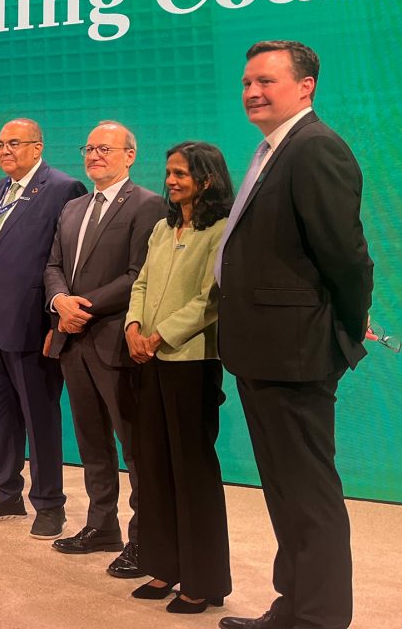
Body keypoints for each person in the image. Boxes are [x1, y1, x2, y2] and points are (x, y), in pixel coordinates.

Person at [215, 41, 372, 629]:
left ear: (305, 86)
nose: (253, 91)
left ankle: (321, 617)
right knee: (284, 490)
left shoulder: (316, 149)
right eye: (247, 81)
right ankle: (295, 604)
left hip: (297, 351)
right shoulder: (273, 150)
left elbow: (348, 258)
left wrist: (348, 324)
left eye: (267, 81)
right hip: (263, 349)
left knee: (308, 494)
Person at [43, 120, 162, 576]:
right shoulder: (72, 208)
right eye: (89, 148)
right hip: (71, 342)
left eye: (105, 149)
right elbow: (52, 264)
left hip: (115, 340)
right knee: (92, 441)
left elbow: (139, 274)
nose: (94, 156)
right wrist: (59, 301)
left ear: (129, 155)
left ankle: (144, 538)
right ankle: (101, 525)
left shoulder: (148, 205)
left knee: (134, 446)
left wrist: (82, 306)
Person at [0, 119, 86, 538]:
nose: (5, 150)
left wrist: (57, 323)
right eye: (0, 143)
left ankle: (50, 504)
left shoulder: (62, 188)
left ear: (38, 147)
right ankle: (5, 492)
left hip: (33, 324)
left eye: (14, 143)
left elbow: (67, 262)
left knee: (40, 418)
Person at [125, 141, 234, 614]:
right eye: (168, 173)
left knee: (192, 472)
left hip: (190, 362)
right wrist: (133, 326)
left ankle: (203, 580)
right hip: (147, 360)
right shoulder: (161, 228)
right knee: (152, 467)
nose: (170, 181)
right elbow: (142, 282)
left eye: (180, 174)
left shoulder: (224, 231)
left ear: (206, 180)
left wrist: (162, 334)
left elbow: (212, 299)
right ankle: (165, 567)